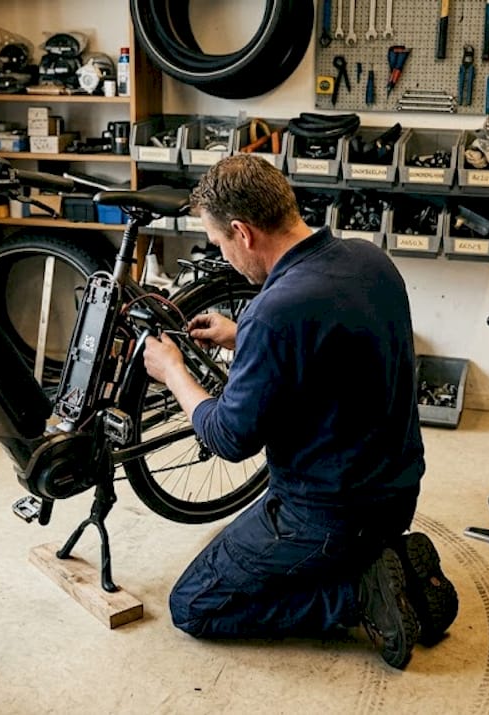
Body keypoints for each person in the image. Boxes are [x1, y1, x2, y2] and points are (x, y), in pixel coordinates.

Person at [141, 154, 458, 669]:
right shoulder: (368, 260)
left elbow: (228, 437)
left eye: (220, 243)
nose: (223, 255)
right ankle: (382, 562)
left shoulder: (275, 310)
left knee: (194, 606)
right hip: (397, 495)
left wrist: (173, 370)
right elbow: (325, 348)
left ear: (242, 232)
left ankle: (360, 592)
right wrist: (240, 333)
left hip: (325, 516)